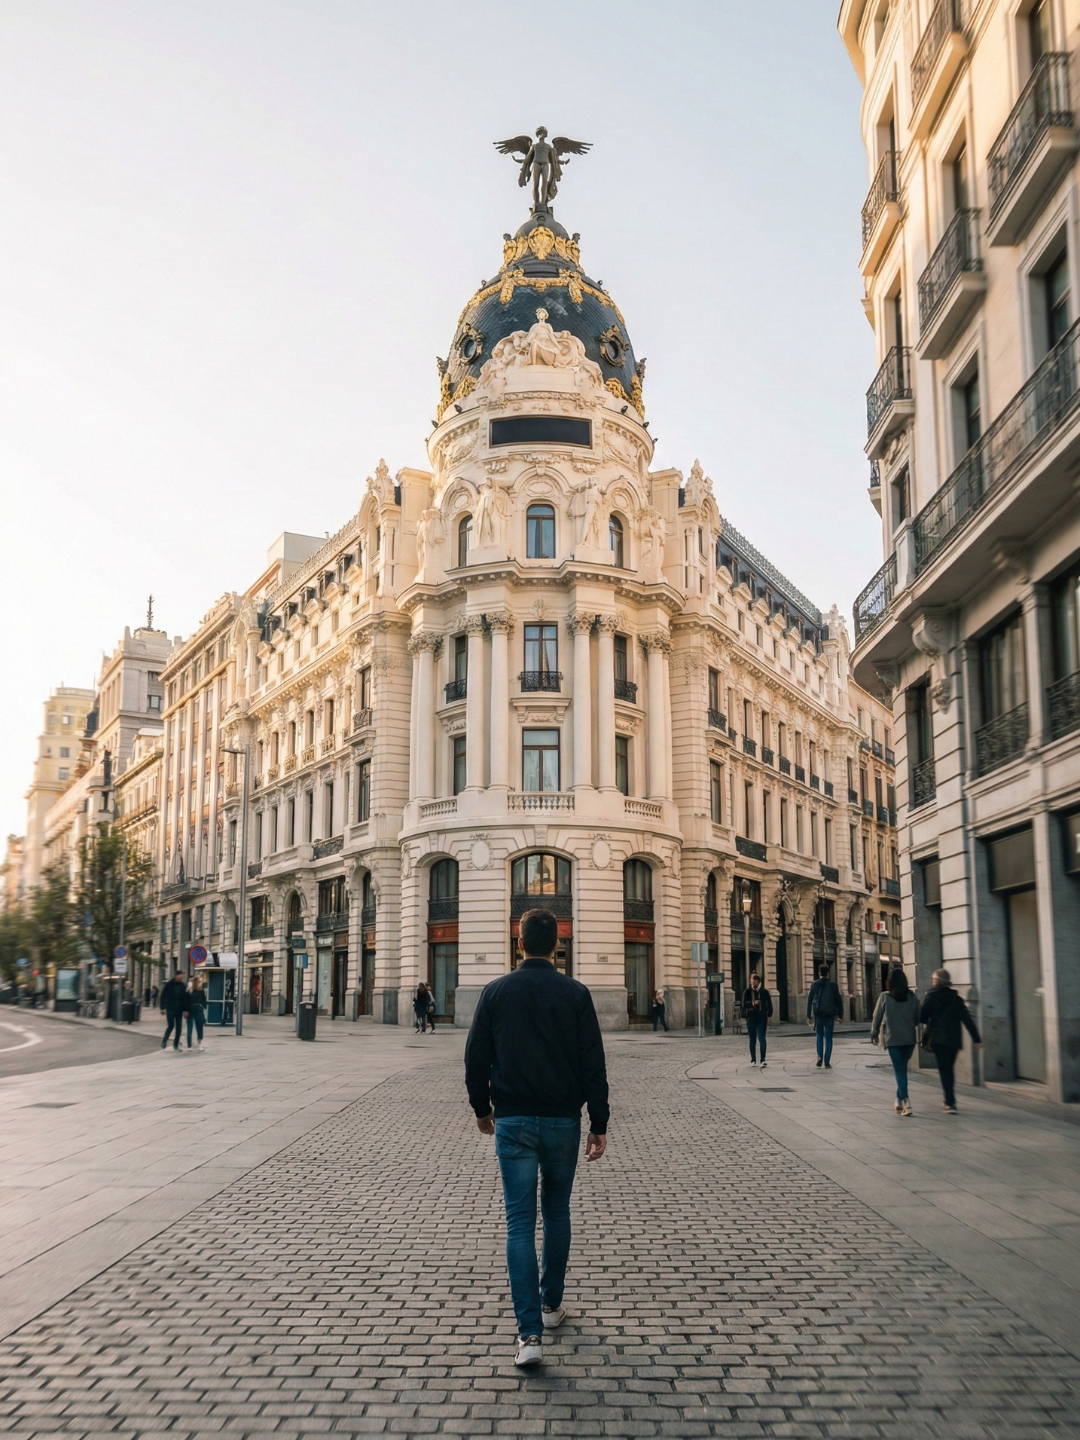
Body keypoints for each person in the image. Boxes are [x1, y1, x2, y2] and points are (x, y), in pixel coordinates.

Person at [465, 907, 609, 1369]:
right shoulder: (576, 994)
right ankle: (551, 1307)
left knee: (519, 1223)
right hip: (564, 1122)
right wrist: (599, 1123)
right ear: (557, 944)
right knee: (558, 1212)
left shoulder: (495, 992)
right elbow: (593, 1065)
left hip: (513, 1122)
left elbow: (475, 1060)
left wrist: (482, 1109)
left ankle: (528, 1335)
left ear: (519, 942)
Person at [920, 968, 981, 1113]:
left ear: (936, 981)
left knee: (944, 1069)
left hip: (938, 1040)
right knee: (949, 1069)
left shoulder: (930, 997)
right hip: (954, 1040)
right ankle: (949, 1100)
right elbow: (967, 1020)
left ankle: (950, 1102)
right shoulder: (957, 999)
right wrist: (976, 1039)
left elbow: (922, 1017)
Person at [871, 967, 920, 1116]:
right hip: (909, 1039)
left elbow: (877, 1016)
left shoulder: (885, 997)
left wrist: (874, 1032)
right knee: (902, 1069)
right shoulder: (911, 996)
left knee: (900, 1070)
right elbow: (918, 1017)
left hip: (892, 1039)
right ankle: (898, 1099)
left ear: (889, 982)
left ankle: (907, 1102)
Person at [806, 965, 843, 1068]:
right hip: (830, 1015)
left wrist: (808, 1015)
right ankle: (827, 1061)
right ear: (828, 973)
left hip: (818, 1014)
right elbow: (838, 1001)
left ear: (819, 973)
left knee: (819, 1035)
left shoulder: (814, 984)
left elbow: (809, 1000)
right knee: (828, 1037)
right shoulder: (833, 985)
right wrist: (840, 1015)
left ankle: (819, 1056)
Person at [742, 972, 773, 1067]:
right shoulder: (747, 991)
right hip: (750, 1018)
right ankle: (753, 1059)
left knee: (761, 1038)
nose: (753, 983)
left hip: (761, 1018)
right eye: (752, 981)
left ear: (758, 982)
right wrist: (752, 1003)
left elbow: (769, 1004)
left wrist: (769, 1015)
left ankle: (763, 1059)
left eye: (755, 981)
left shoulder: (764, 992)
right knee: (752, 1039)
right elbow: (744, 1004)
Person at [160, 971, 187, 1052]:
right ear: (176, 976)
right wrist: (163, 1007)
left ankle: (175, 1045)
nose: (181, 978)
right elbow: (163, 996)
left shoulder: (183, 985)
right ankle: (164, 1041)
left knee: (179, 1029)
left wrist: (185, 1010)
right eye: (180, 976)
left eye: (182, 977)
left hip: (179, 1009)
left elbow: (185, 999)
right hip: (170, 1008)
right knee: (171, 1026)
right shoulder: (169, 985)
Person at [186, 975, 208, 1052]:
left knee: (193, 1027)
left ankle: (191, 1045)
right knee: (197, 1027)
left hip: (193, 1009)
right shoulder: (197, 991)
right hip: (196, 1009)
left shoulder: (192, 991)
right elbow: (203, 1001)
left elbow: (186, 1002)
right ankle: (197, 1044)